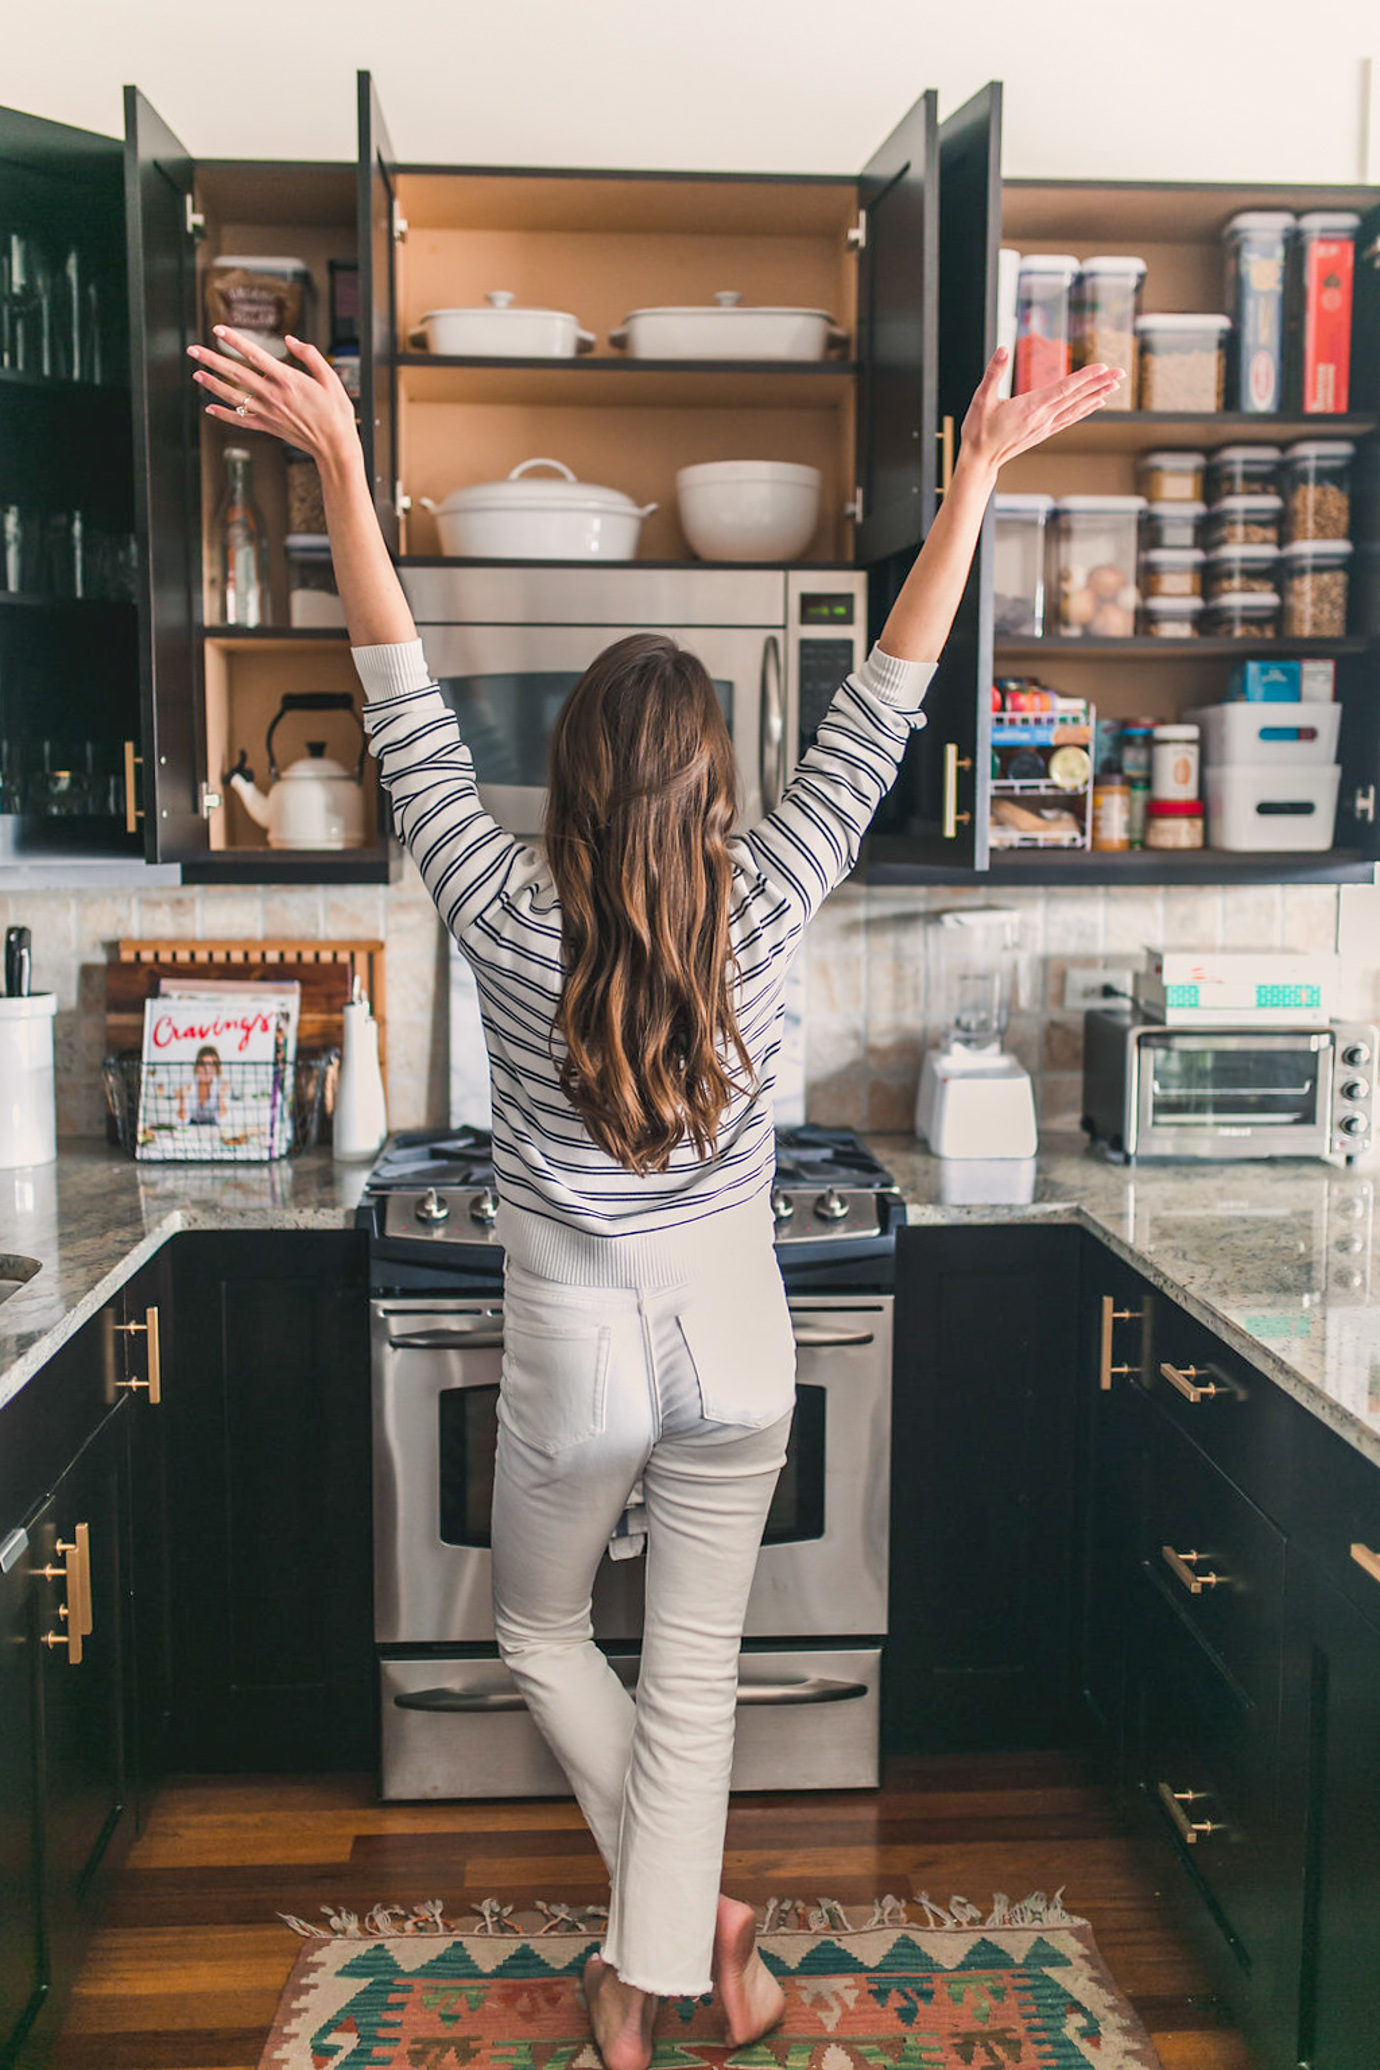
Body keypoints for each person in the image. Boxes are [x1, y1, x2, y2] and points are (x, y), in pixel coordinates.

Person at [188, 322, 1120, 2070]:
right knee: (691, 1680)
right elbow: (885, 700)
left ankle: (663, 1956)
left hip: (580, 1346)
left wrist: (332, 464)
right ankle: (680, 1969)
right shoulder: (771, 894)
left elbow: (401, 708)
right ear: (710, 785)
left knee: (541, 1625)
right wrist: (978, 473)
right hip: (742, 1343)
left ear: (576, 783)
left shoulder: (502, 904)